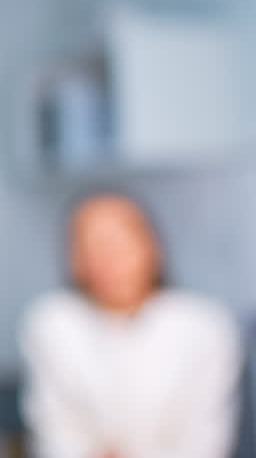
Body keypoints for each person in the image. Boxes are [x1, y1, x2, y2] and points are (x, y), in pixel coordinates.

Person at [20, 192, 242, 458]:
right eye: (89, 244)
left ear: (152, 246)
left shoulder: (206, 326)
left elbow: (205, 443)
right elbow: (53, 434)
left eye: (118, 240)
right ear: (74, 260)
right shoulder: (51, 322)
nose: (105, 256)